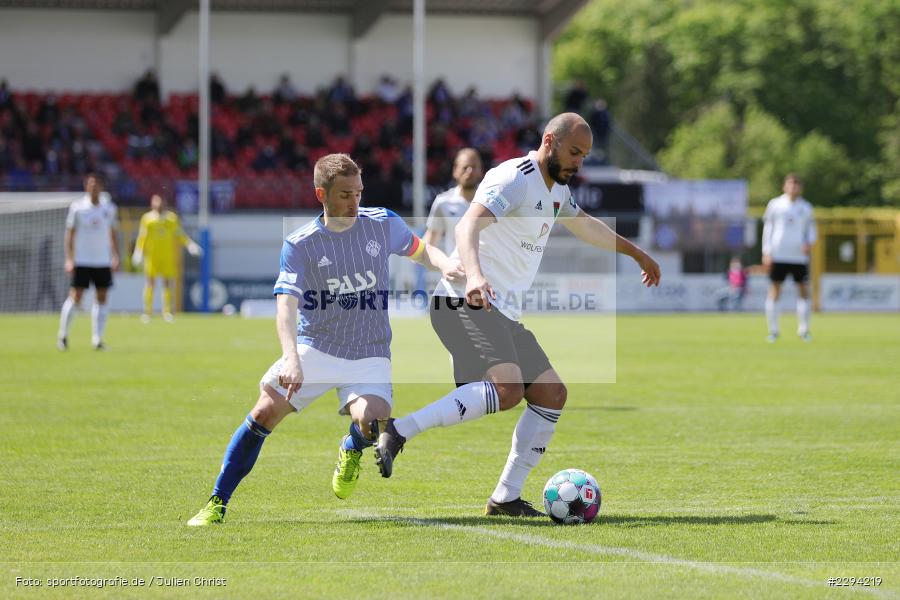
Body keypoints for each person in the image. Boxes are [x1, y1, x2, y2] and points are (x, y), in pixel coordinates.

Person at [374, 113, 661, 517]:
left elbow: (585, 226)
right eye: (574, 152)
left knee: (551, 395)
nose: (579, 162)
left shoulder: (556, 190)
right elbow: (467, 226)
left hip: (501, 311)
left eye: (585, 156)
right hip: (464, 300)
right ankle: (399, 430)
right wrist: (473, 276)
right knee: (507, 389)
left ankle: (505, 497)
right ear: (550, 141)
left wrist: (637, 252)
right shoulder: (515, 177)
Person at [187, 154, 461, 526]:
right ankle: (216, 502)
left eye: (359, 192)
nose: (355, 201)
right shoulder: (301, 244)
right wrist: (291, 358)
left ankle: (351, 447)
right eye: (346, 194)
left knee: (373, 421)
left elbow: (420, 249)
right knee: (264, 413)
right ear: (322, 194)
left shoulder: (382, 224)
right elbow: (286, 304)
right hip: (315, 346)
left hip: (369, 352)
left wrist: (445, 264)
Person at [57, 173, 120, 351]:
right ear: (86, 186)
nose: (94, 187)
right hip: (82, 260)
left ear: (101, 186)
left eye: (97, 184)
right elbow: (69, 235)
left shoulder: (109, 208)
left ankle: (97, 339)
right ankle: (63, 335)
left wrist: (116, 256)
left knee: (102, 297)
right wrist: (69, 259)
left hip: (102, 261)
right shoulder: (77, 208)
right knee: (76, 297)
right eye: (91, 184)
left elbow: (113, 234)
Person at [762, 173, 817, 342]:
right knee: (775, 289)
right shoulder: (775, 205)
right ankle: (773, 330)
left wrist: (809, 242)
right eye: (790, 184)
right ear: (784, 186)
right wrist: (767, 251)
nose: (793, 187)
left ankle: (804, 329)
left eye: (797, 184)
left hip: (799, 257)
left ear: (801, 188)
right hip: (779, 254)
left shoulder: (806, 208)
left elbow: (812, 230)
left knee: (803, 290)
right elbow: (768, 228)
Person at [132, 194, 202, 323]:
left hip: (167, 256)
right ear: (152, 203)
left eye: (161, 201)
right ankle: (147, 312)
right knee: (150, 284)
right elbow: (142, 236)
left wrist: (190, 244)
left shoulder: (171, 218)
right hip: (152, 257)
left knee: (167, 284)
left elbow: (179, 234)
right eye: (156, 201)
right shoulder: (147, 219)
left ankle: (167, 312)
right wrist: (138, 251)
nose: (159, 204)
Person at [423, 148, 484, 256]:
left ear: (481, 171)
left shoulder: (491, 199)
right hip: (457, 269)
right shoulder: (443, 202)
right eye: (465, 167)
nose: (469, 171)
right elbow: (431, 239)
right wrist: (413, 250)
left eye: (474, 167)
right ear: (455, 171)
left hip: (488, 271)